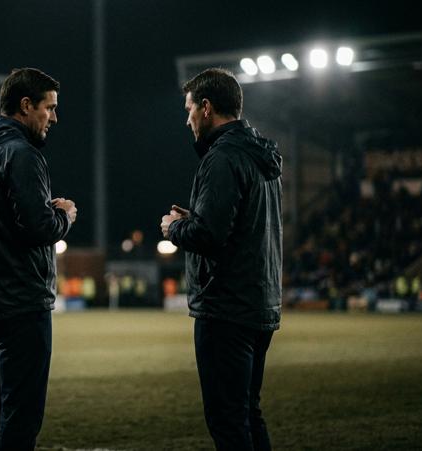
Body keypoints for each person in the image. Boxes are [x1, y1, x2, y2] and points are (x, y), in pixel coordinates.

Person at [160, 68, 282, 451]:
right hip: (259, 302)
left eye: (189, 110)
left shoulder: (222, 158)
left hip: (226, 307)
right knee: (248, 412)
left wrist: (174, 228)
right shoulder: (261, 157)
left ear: (207, 108)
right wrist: (196, 219)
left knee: (227, 420)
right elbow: (239, 226)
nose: (188, 120)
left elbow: (210, 236)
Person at [0, 67, 77, 451]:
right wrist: (64, 216)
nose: (54, 118)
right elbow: (38, 228)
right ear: (26, 106)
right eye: (49, 108)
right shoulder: (22, 153)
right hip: (20, 302)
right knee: (20, 414)